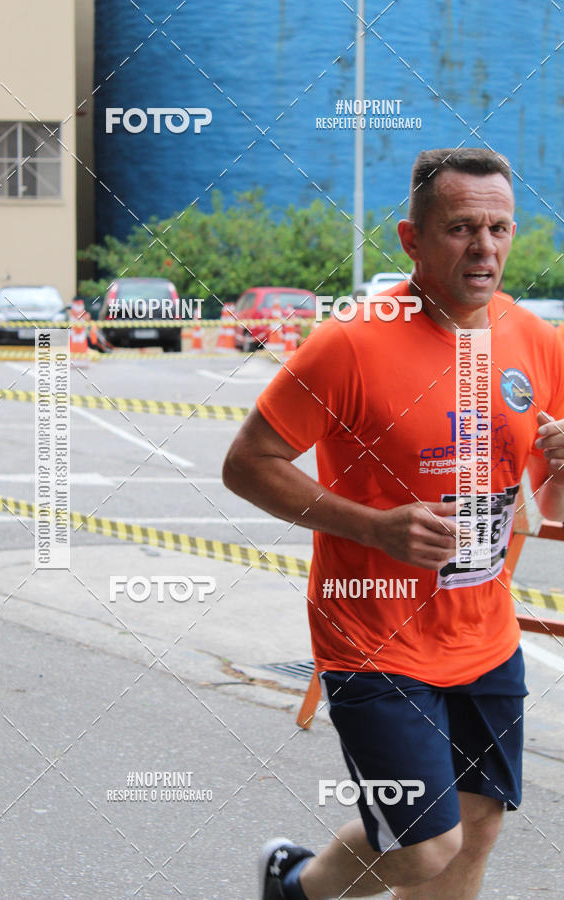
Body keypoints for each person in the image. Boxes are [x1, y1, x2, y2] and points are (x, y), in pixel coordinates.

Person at [222, 147, 564, 899]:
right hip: (372, 639)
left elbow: (556, 500)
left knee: (477, 831)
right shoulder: (351, 342)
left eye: (500, 228)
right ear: (411, 239)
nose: (485, 248)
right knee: (421, 850)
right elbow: (246, 464)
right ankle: (298, 887)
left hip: (484, 633)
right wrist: (374, 527)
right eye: (461, 228)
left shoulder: (535, 340)